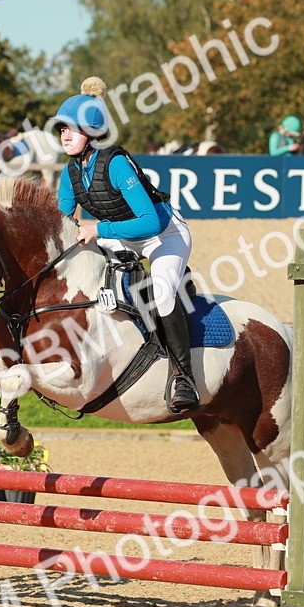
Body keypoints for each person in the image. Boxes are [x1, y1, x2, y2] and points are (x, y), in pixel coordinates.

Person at [53, 76, 199, 415]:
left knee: (161, 292)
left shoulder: (116, 163)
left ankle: (184, 377)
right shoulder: (70, 172)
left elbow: (151, 221)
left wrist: (97, 228)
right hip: (121, 235)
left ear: (92, 132)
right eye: (61, 130)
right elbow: (61, 222)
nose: (65, 136)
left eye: (71, 129)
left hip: (164, 235)